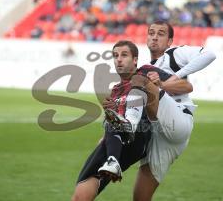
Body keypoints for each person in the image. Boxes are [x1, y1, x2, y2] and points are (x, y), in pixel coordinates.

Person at [71, 40, 193, 201]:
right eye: (115, 56)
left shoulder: (146, 72)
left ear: (135, 59)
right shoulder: (115, 90)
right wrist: (106, 135)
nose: (119, 59)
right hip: (116, 141)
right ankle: (112, 160)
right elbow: (114, 120)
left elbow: (186, 86)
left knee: (137, 82)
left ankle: (126, 133)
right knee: (80, 196)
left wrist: (161, 84)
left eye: (124, 55)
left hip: (138, 136)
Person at [114, 20, 216, 201]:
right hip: (160, 132)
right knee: (140, 197)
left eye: (160, 34)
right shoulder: (150, 66)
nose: (154, 36)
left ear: (169, 41)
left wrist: (172, 78)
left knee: (140, 79)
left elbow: (209, 55)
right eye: (151, 32)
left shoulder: (174, 53)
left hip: (178, 119)